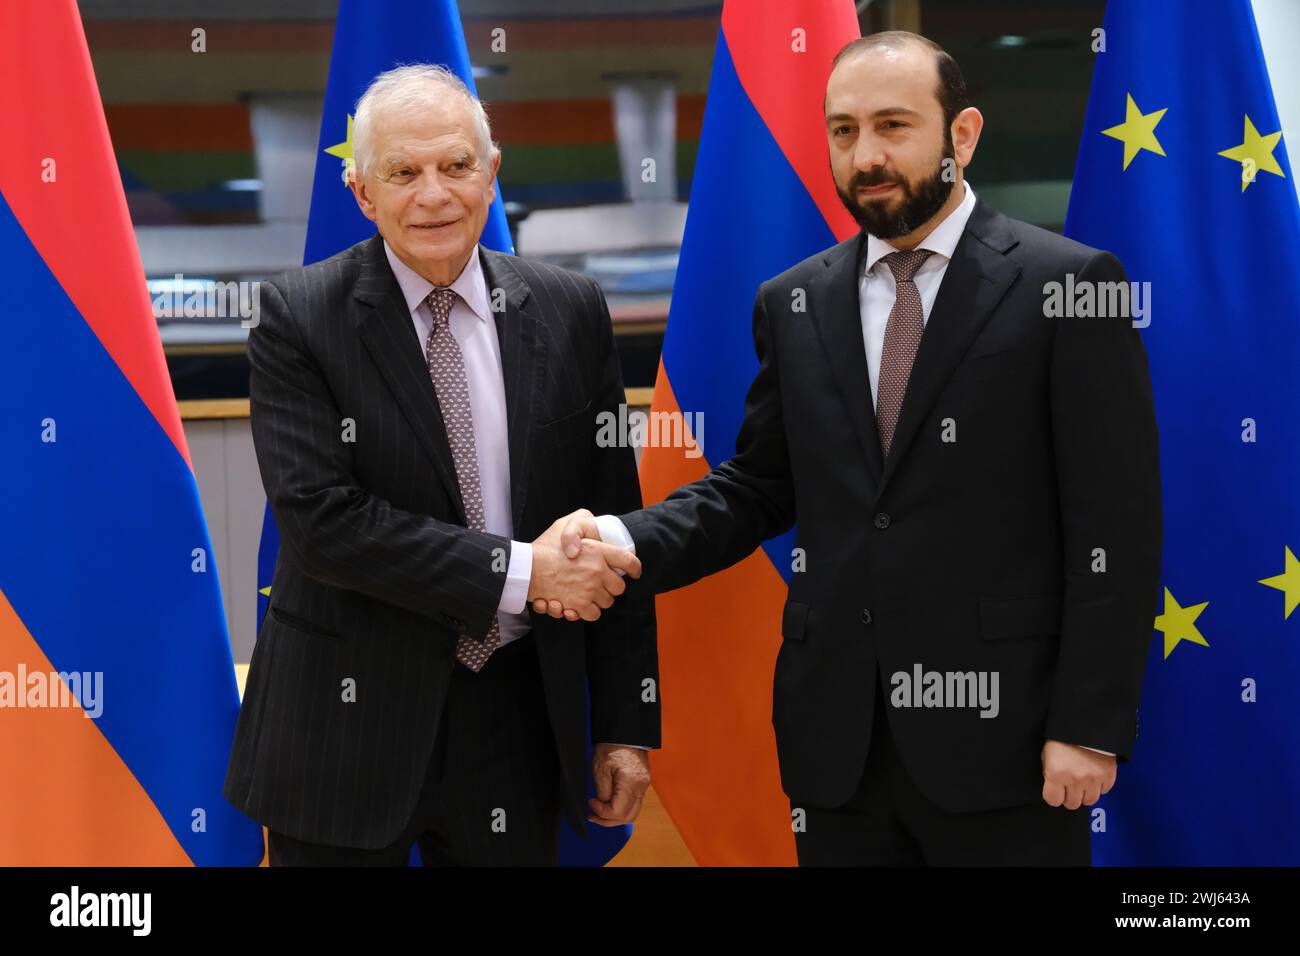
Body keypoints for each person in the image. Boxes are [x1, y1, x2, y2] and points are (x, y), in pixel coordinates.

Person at [537, 31, 1161, 866]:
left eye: (893, 126)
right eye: (842, 131)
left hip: (1011, 746)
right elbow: (757, 487)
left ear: (963, 134)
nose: (865, 155)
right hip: (838, 753)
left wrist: (1089, 725)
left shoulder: (1068, 285)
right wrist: (618, 539)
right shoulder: (793, 302)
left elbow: (1114, 526)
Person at [224, 64, 658, 866]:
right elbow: (325, 524)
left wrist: (627, 724)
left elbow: (612, 523)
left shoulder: (571, 310)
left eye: (456, 166)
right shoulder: (298, 319)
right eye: (404, 172)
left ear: (491, 175)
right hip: (344, 723)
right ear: (362, 192)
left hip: (517, 722)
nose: (434, 194)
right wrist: (526, 572)